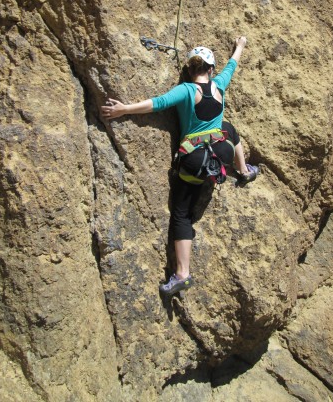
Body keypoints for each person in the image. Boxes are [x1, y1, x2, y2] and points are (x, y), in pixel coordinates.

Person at [101, 36, 259, 296]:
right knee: (228, 128)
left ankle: (183, 274)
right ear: (210, 69)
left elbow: (158, 103)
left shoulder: (186, 90)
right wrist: (240, 46)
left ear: (188, 70)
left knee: (181, 214)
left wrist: (124, 109)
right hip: (221, 152)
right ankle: (243, 171)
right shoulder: (220, 84)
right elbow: (232, 66)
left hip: (195, 160)